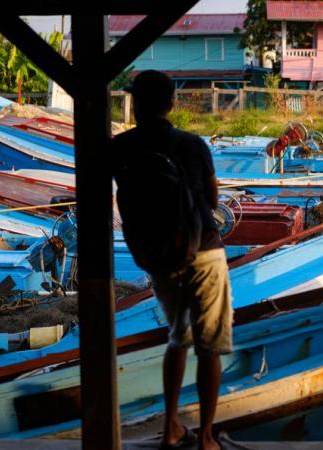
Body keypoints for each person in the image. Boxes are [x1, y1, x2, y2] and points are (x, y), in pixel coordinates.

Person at [112, 70, 231, 450]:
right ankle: (208, 437)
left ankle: (170, 430)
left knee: (177, 339)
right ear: (172, 103)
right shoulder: (193, 145)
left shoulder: (120, 148)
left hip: (159, 258)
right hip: (204, 250)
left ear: (135, 104)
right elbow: (212, 202)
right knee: (209, 345)